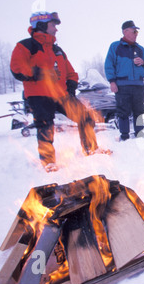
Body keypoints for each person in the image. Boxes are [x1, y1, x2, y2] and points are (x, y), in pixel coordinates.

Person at [10, 11, 110, 173]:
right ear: (41, 25)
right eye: (53, 25)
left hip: (61, 95)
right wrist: (41, 72)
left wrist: (71, 84)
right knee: (46, 127)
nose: (56, 29)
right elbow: (17, 68)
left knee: (85, 117)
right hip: (39, 96)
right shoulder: (25, 46)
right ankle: (48, 162)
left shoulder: (57, 50)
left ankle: (91, 150)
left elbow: (70, 71)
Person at [104, 20, 144, 141]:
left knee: (139, 110)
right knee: (123, 111)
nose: (136, 34)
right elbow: (109, 65)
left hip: (138, 85)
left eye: (137, 32)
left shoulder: (140, 49)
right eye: (134, 31)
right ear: (125, 32)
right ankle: (124, 137)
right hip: (122, 85)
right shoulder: (115, 47)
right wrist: (112, 81)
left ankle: (139, 134)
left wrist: (143, 62)